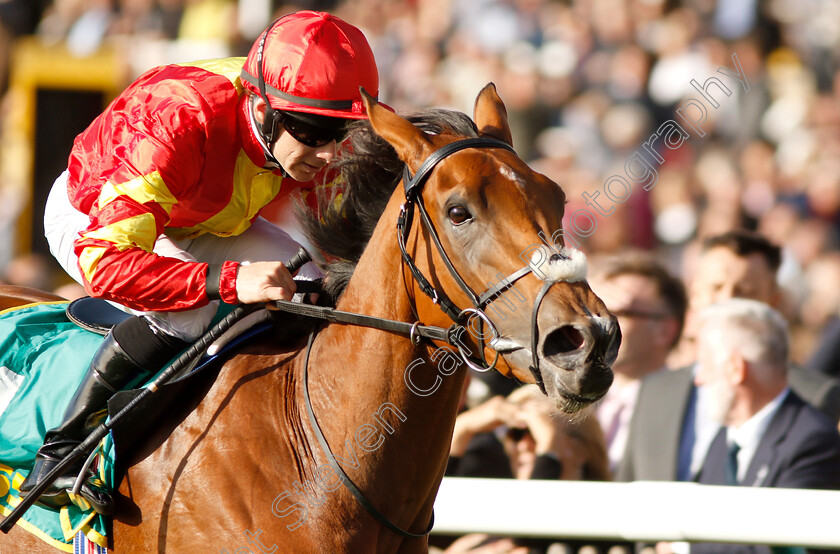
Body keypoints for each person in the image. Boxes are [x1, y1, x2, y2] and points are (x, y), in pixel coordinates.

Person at [20, 10, 380, 511]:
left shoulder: (296, 124)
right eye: (316, 132)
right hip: (94, 220)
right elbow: (107, 263)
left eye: (342, 133)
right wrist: (229, 281)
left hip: (199, 220)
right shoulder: (176, 118)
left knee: (310, 284)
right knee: (187, 310)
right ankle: (60, 453)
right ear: (263, 109)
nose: (330, 152)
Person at [618, 230, 840, 484]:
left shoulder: (813, 397)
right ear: (695, 293)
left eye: (744, 292)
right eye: (715, 288)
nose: (726, 301)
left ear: (774, 302)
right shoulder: (655, 390)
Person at [659, 299, 840, 554]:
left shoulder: (811, 439)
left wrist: (684, 549)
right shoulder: (724, 437)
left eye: (706, 366)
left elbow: (782, 547)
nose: (698, 380)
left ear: (735, 368)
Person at [589, 253, 687, 474]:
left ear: (664, 330)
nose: (602, 323)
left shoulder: (687, 409)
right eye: (598, 311)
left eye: (619, 312)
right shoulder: (574, 399)